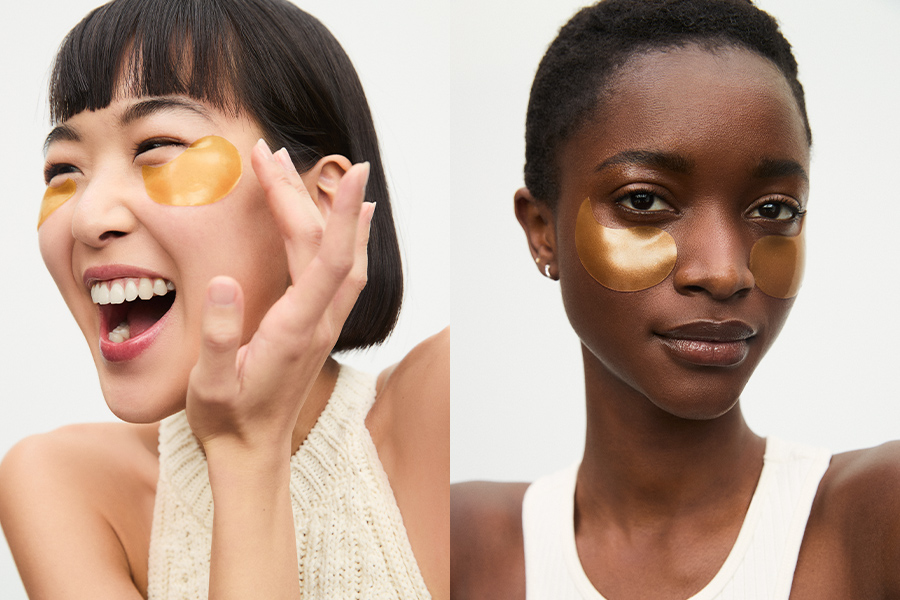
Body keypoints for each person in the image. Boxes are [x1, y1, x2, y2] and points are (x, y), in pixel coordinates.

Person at [451, 0, 900, 598]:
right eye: (644, 202)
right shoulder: (466, 545)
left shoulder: (873, 517)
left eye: (774, 209)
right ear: (541, 229)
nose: (724, 271)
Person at [0, 0, 449, 598]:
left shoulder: (440, 399)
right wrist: (245, 451)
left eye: (156, 147)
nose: (87, 217)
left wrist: (252, 441)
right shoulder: (61, 485)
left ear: (320, 202)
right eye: (64, 171)